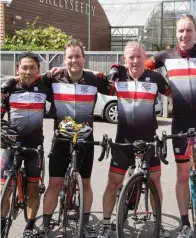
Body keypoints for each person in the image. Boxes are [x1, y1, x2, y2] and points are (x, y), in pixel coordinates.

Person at [143, 14, 196, 238]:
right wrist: (120, 68)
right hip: (180, 123)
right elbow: (139, 65)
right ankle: (185, 223)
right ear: (175, 33)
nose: (184, 35)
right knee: (182, 175)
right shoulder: (166, 56)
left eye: (188, 30)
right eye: (180, 31)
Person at [36, 38, 112, 238]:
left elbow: (117, 84)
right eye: (70, 57)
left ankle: (85, 223)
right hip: (61, 139)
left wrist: (117, 69)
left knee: (85, 184)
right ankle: (45, 224)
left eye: (78, 56)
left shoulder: (94, 79)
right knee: (54, 183)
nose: (74, 60)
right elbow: (29, 79)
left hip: (86, 139)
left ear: (84, 59)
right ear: (64, 59)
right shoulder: (53, 78)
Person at [96, 41, 171, 238]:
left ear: (145, 59)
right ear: (124, 59)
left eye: (139, 56)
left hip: (149, 138)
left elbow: (178, 94)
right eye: (131, 57)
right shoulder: (118, 77)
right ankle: (105, 224)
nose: (135, 60)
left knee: (155, 181)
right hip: (124, 138)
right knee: (113, 183)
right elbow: (86, 77)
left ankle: (158, 222)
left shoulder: (155, 78)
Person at [1, 52, 49, 238]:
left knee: (33, 188)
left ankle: (29, 226)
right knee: (4, 189)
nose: (28, 71)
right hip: (11, 146)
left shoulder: (44, 88)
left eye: (32, 68)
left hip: (34, 148)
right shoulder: (8, 89)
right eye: (24, 67)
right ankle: (2, 222)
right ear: (18, 69)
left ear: (38, 70)